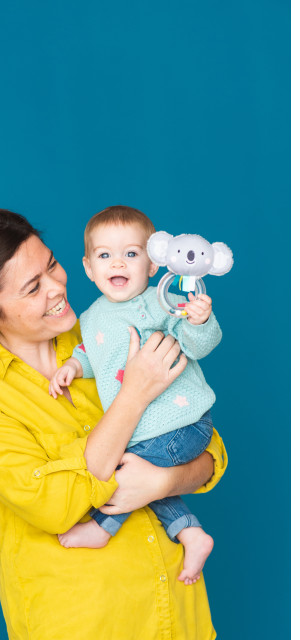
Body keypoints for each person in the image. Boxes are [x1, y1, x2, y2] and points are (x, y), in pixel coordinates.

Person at [0, 199, 228, 640]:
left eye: (51, 265)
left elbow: (209, 450)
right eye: (33, 288)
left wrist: (164, 482)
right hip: (84, 622)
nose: (56, 287)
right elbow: (55, 505)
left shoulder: (101, 328)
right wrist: (134, 394)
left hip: (177, 609)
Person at [49, 205, 221, 585]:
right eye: (104, 255)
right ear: (88, 268)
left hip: (182, 423)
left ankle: (102, 526)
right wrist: (74, 366)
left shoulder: (162, 303)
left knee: (122, 470)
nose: (118, 264)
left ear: (154, 263)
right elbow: (95, 352)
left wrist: (199, 321)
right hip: (149, 430)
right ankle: (191, 533)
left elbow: (197, 345)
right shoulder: (91, 316)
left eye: (131, 253)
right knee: (145, 479)